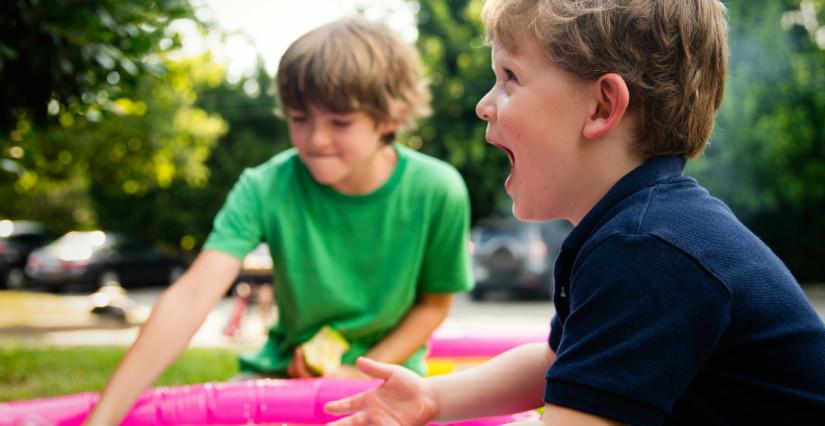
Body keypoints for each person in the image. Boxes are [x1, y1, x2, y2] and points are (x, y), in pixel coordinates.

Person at [324, 1, 825, 425]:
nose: (483, 104)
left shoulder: (648, 250)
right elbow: (558, 362)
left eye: (509, 77)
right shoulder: (637, 228)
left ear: (602, 107)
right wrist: (434, 399)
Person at [84, 17, 473, 425]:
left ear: (389, 119)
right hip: (282, 374)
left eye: (340, 122)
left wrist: (359, 370)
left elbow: (433, 305)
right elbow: (191, 296)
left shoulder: (438, 189)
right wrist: (104, 418)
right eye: (300, 118)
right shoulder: (264, 186)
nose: (315, 139)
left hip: (391, 381)